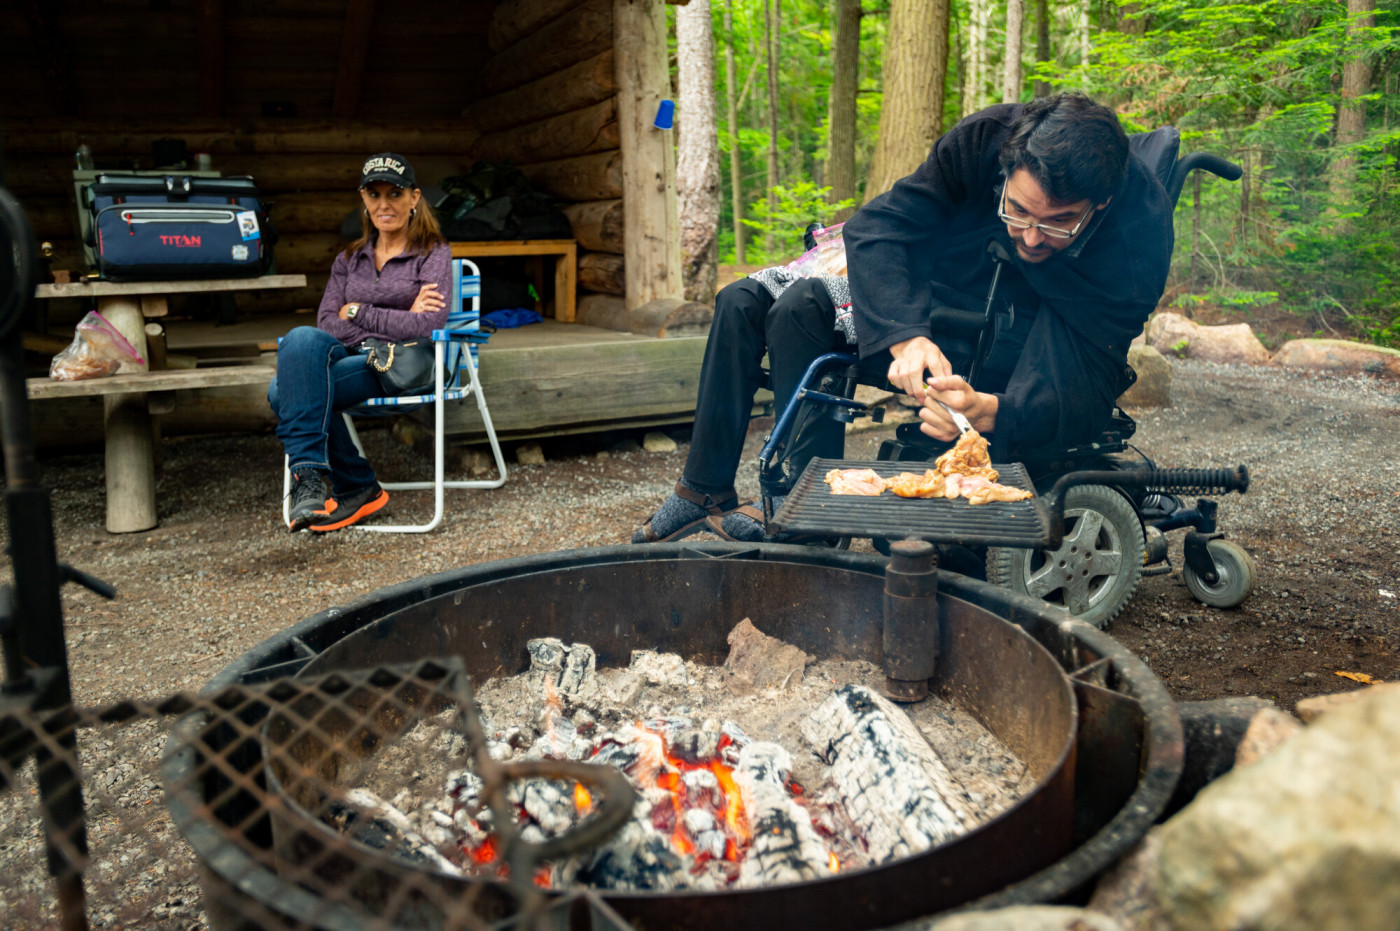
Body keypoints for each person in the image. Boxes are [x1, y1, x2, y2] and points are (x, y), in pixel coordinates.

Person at [630, 93, 1173, 544]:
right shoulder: (986, 140)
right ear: (1006, 173)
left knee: (799, 310)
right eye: (1019, 211)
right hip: (936, 293)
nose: (1031, 236)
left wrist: (993, 412)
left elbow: (1092, 371)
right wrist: (906, 336)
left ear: (1097, 206)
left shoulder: (1137, 234)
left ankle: (812, 519)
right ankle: (706, 490)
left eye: (1058, 223)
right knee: (741, 299)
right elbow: (880, 226)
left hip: (1017, 334)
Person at [269, 153, 451, 533]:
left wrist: (357, 312)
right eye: (374, 194)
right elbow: (326, 322)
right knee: (303, 337)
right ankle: (314, 479)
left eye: (395, 193)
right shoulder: (349, 258)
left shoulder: (433, 254)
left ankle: (352, 485)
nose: (384, 204)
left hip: (395, 364)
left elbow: (428, 324)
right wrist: (393, 320)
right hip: (351, 355)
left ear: (414, 198)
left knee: (281, 392)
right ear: (364, 200)